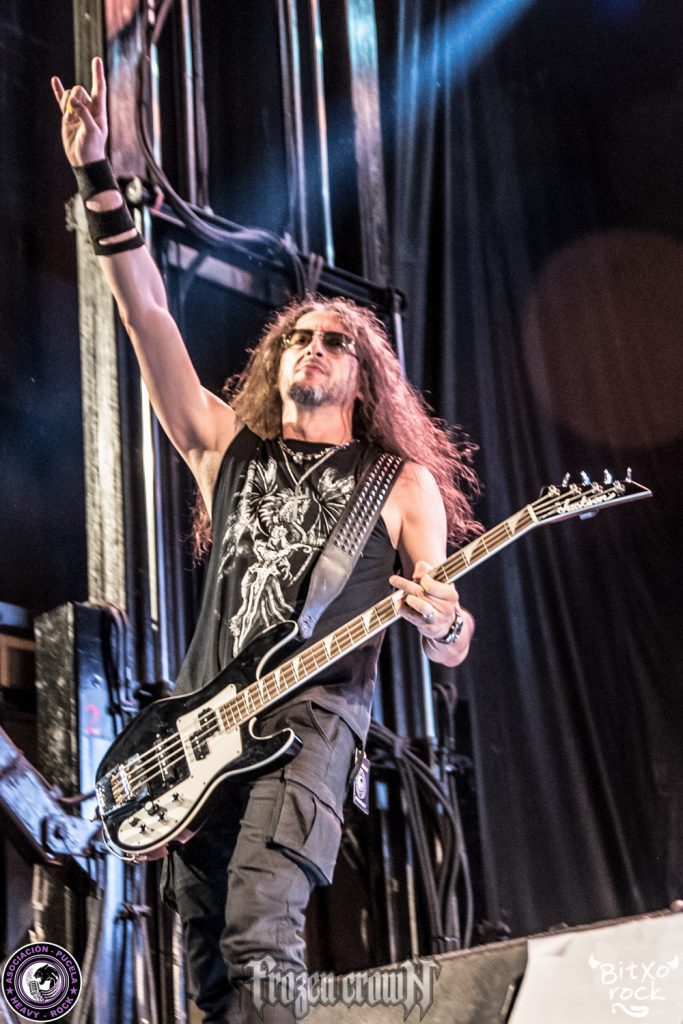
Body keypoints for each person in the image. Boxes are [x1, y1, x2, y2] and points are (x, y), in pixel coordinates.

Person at [52, 57, 480, 1024]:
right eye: (298, 337)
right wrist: (97, 177)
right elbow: (146, 313)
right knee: (207, 964)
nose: (312, 347)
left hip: (310, 732)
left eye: (334, 340)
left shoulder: (397, 484)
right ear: (275, 362)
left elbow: (453, 637)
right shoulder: (223, 447)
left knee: (258, 932)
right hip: (198, 733)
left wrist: (439, 620)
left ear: (363, 377)